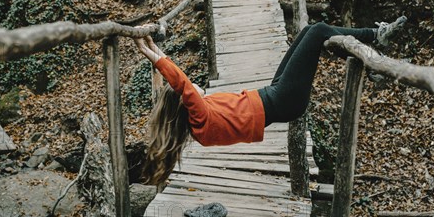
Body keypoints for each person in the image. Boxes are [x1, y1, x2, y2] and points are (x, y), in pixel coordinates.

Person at [133, 17, 407, 184]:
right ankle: (375, 37)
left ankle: (370, 58)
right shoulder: (200, 117)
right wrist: (152, 56)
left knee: (310, 30)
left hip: (275, 94)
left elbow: (179, 82)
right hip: (283, 99)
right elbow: (180, 82)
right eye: (190, 88)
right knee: (318, 30)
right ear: (184, 103)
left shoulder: (199, 122)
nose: (194, 84)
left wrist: (150, 45)